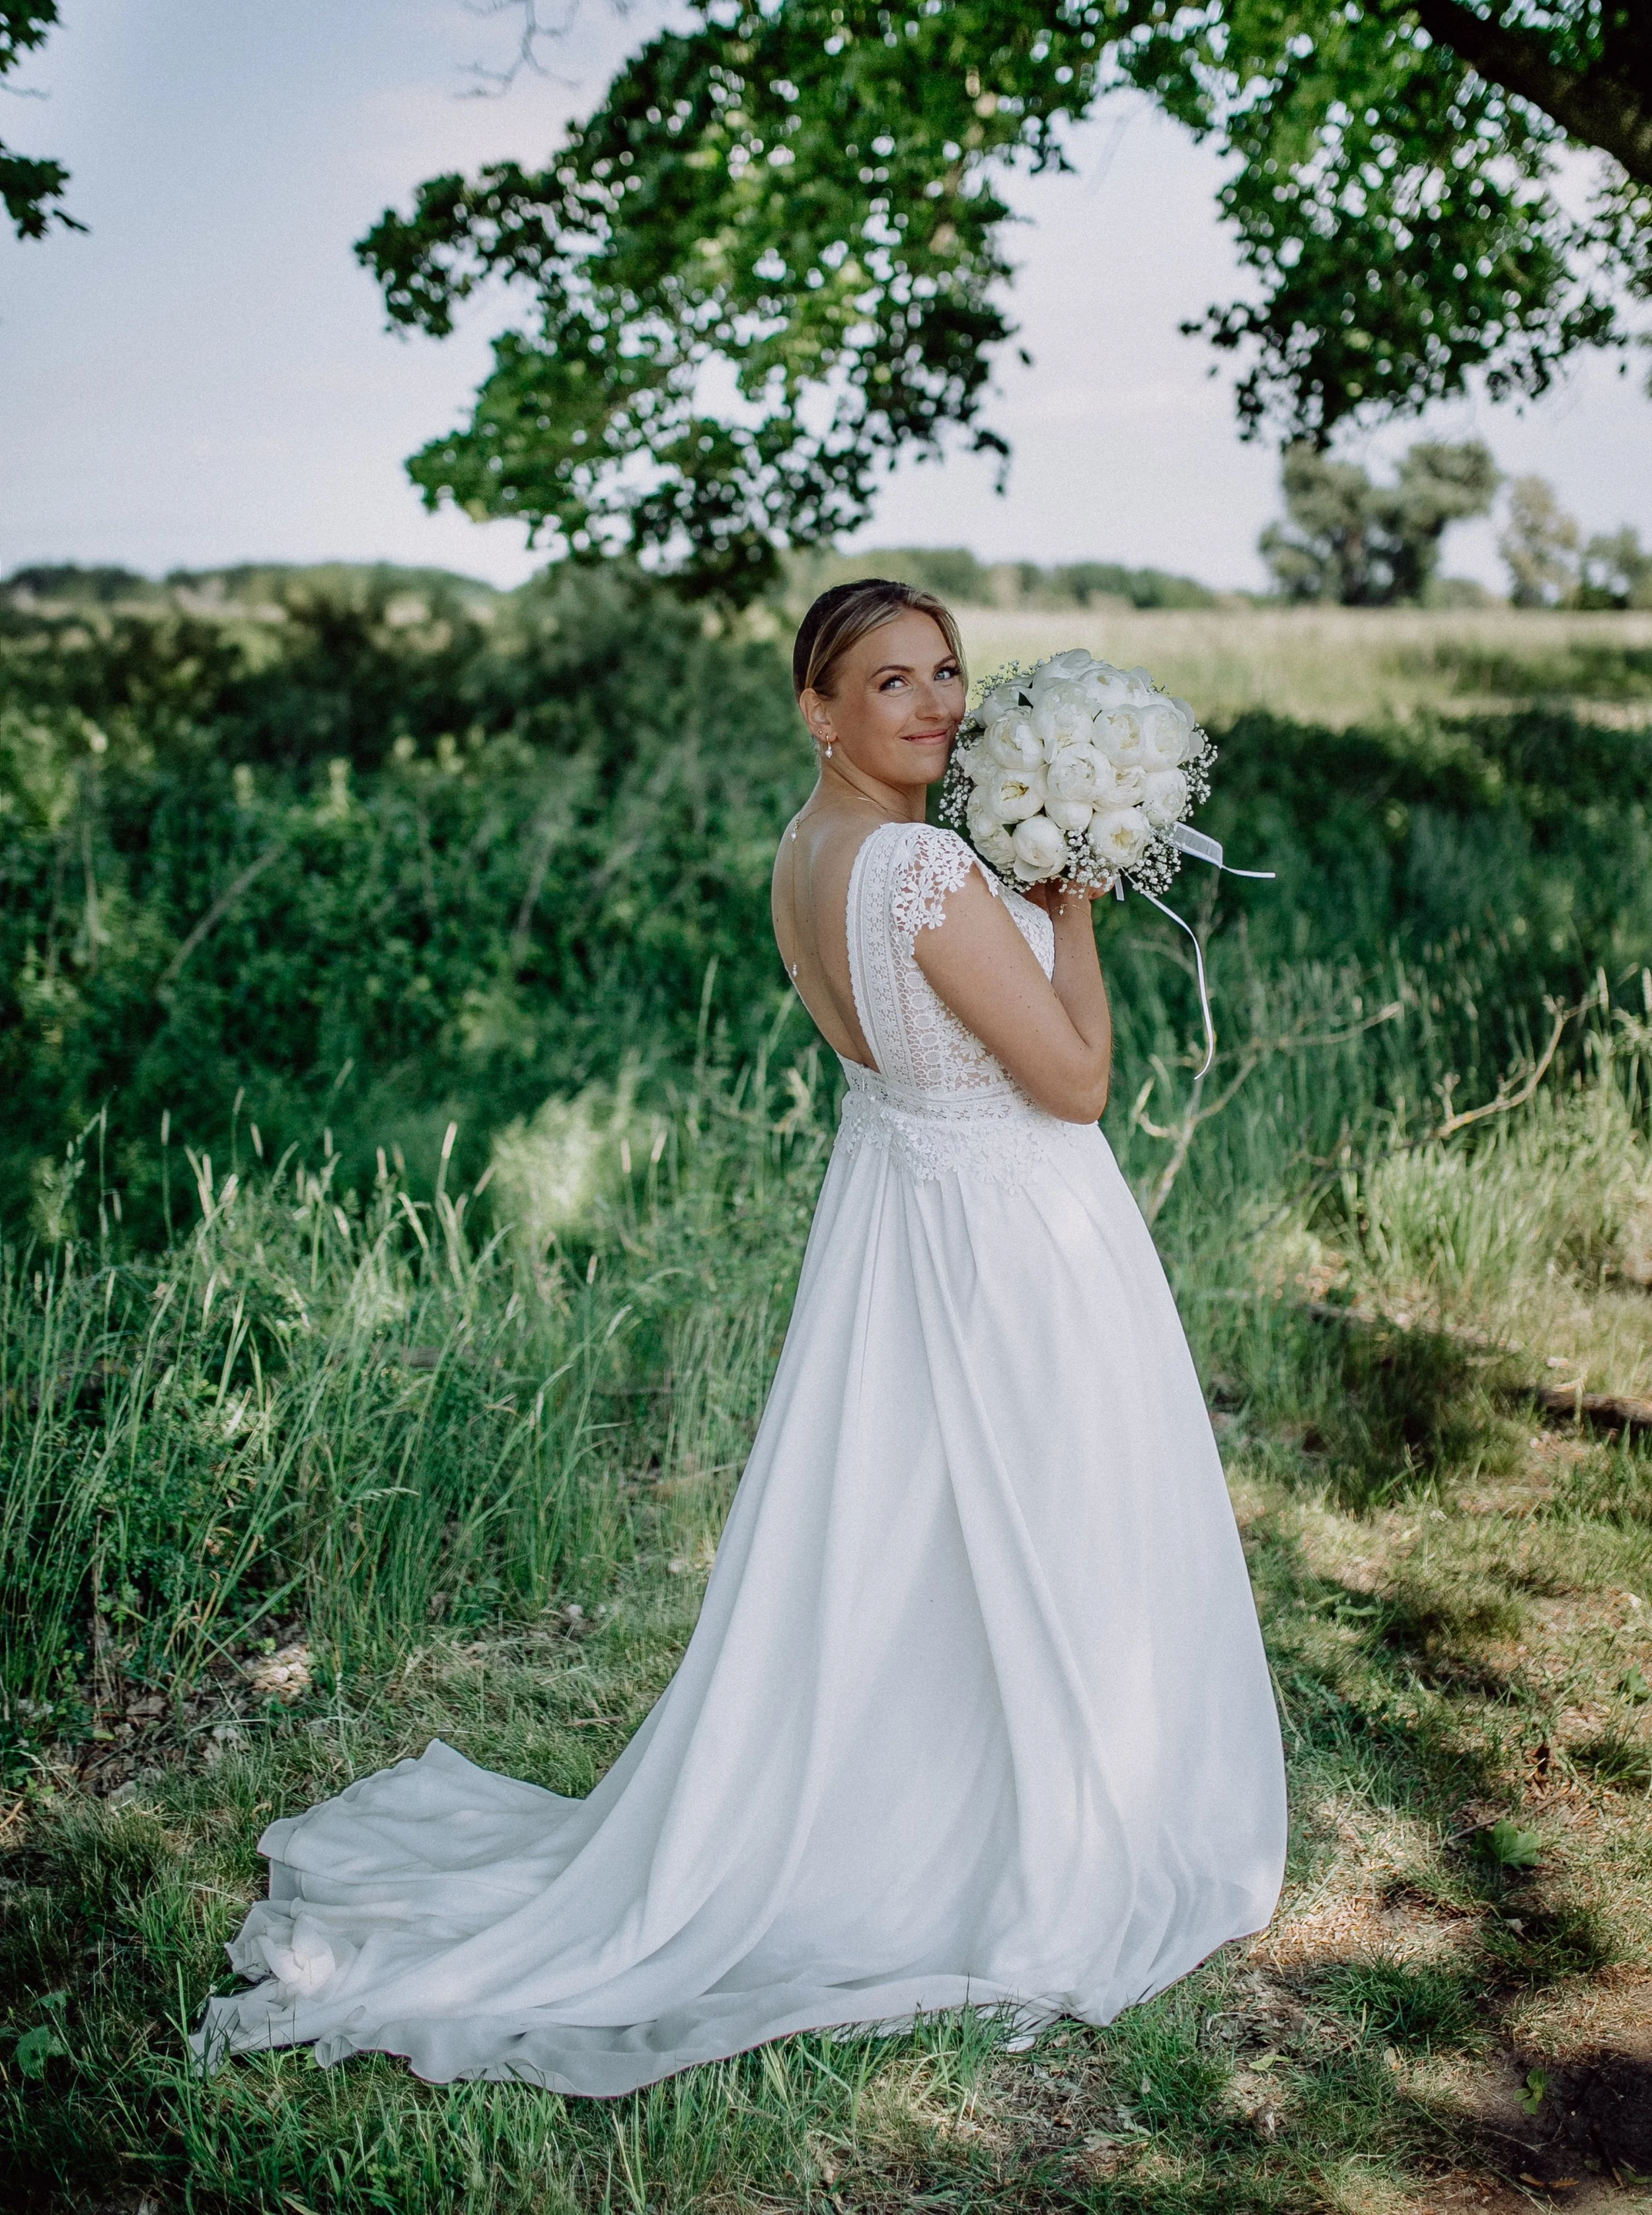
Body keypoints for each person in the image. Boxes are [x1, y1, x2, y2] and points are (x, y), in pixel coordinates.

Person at [196, 578, 1285, 2097]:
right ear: (815, 708)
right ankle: (1025, 1825)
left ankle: (935, 1788)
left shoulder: (807, 852)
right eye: (887, 681)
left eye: (946, 673)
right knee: (1045, 1522)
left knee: (926, 1537)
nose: (932, 704)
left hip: (902, 1218)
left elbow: (879, 1052)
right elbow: (1077, 1084)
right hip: (1008, 1235)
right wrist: (1076, 911)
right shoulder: (915, 867)